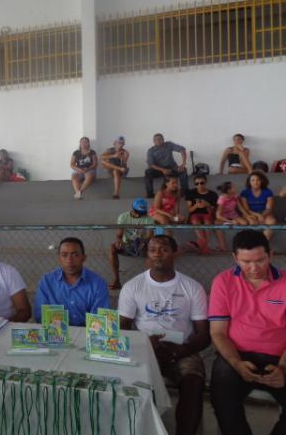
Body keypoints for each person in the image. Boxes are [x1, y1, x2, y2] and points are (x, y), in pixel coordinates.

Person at [119, 235, 210, 435]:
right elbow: (122, 328)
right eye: (152, 250)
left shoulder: (192, 287)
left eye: (164, 249)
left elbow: (204, 334)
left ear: (174, 253)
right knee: (130, 382)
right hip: (144, 349)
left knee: (193, 382)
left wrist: (182, 350)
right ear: (147, 255)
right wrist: (143, 344)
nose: (158, 254)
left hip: (183, 349)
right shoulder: (133, 286)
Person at [208, 229, 286, 435]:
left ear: (271, 255)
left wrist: (283, 368)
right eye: (245, 261)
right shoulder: (223, 282)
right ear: (234, 257)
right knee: (221, 395)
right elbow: (218, 333)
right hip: (238, 354)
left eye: (260, 260)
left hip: (281, 356)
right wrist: (236, 364)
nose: (253, 268)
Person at [34, 237, 109, 326]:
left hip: (85, 334)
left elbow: (99, 319)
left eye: (75, 255)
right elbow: (40, 315)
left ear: (84, 258)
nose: (69, 260)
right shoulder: (46, 281)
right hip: (55, 333)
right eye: (64, 255)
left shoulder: (98, 284)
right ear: (59, 258)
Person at [109, 198, 154, 289]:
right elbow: (119, 235)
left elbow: (149, 237)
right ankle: (117, 280)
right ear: (132, 209)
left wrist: (143, 242)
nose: (139, 215)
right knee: (112, 248)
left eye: (142, 213)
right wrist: (119, 241)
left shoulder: (149, 219)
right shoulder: (123, 217)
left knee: (152, 251)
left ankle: (151, 282)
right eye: (137, 212)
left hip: (142, 245)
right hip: (127, 244)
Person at [185, 174, 223, 253]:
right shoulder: (190, 193)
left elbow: (215, 211)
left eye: (202, 183)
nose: (199, 185)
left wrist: (207, 205)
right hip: (194, 215)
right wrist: (196, 205)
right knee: (195, 219)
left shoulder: (213, 194)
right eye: (197, 184)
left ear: (206, 182)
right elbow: (189, 210)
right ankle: (205, 247)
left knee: (208, 219)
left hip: (208, 214)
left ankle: (200, 245)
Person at [144, 133, 188, 198]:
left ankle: (185, 192)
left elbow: (182, 149)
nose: (159, 141)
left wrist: (183, 163)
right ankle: (150, 194)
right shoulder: (151, 151)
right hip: (159, 170)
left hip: (172, 168)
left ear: (163, 140)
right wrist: (163, 170)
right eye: (157, 139)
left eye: (161, 139)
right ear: (154, 141)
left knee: (183, 170)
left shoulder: (169, 144)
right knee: (148, 172)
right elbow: (151, 164)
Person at [239, 171, 276, 240]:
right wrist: (258, 215)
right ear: (249, 182)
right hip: (250, 213)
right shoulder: (244, 193)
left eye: (258, 180)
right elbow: (246, 209)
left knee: (271, 222)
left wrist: (262, 215)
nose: (255, 182)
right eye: (252, 180)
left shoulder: (268, 192)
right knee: (253, 223)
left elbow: (269, 208)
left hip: (264, 213)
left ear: (262, 181)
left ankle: (264, 245)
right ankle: (253, 246)